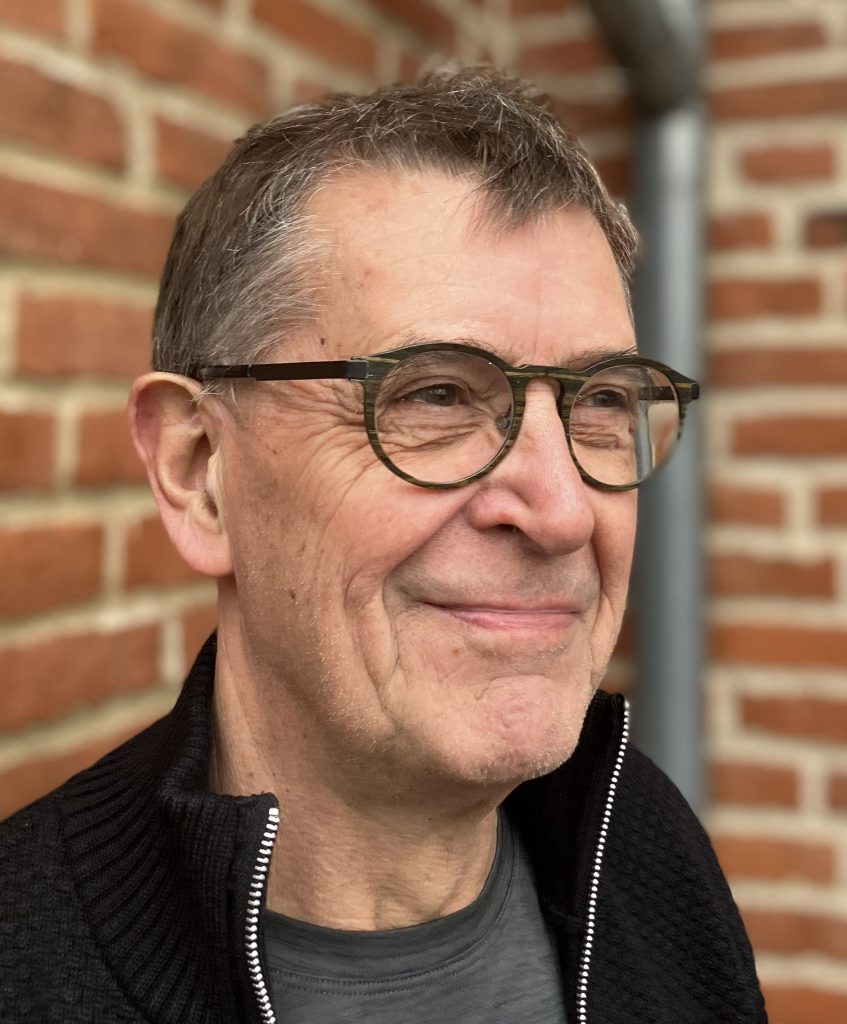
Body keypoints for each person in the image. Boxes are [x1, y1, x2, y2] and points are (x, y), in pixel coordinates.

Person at [0, 65, 766, 1023]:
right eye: (434, 396)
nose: (563, 511)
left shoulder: (641, 848)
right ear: (199, 472)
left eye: (602, 400)